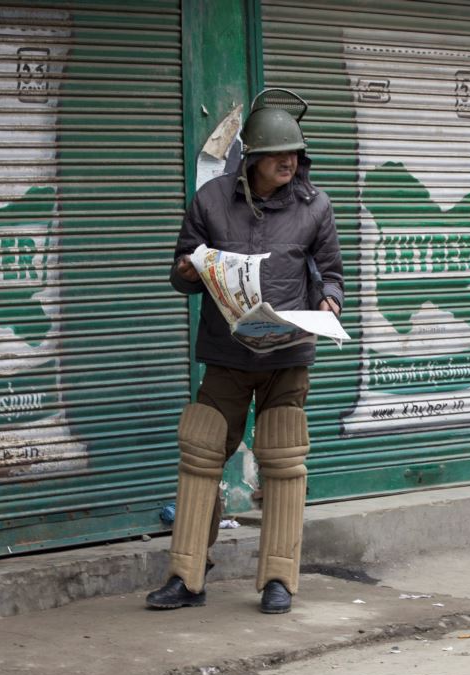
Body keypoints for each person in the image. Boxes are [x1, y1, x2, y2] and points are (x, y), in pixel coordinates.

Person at [145, 89, 343, 615]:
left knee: (282, 458)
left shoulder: (316, 206)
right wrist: (188, 271)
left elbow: (333, 274)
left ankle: (279, 578)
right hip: (227, 352)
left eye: (296, 153)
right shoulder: (209, 202)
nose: (290, 162)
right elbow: (181, 271)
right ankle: (187, 577)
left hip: (288, 353)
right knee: (201, 450)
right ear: (251, 157)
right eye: (279, 154)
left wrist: (329, 299)